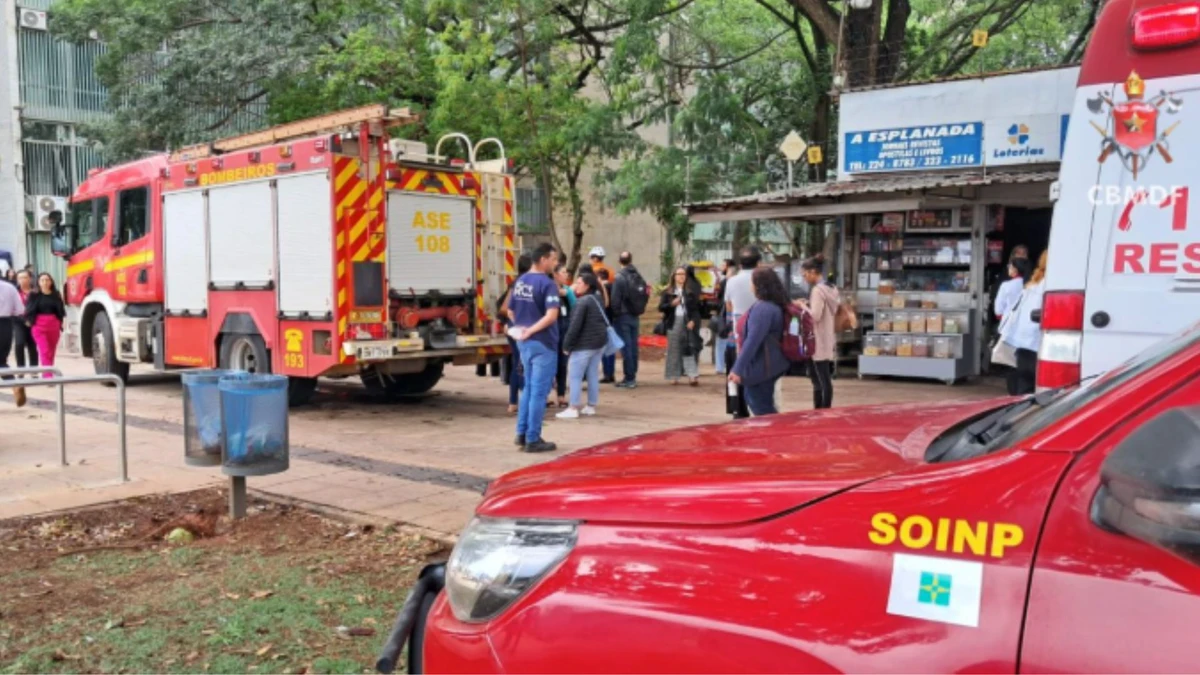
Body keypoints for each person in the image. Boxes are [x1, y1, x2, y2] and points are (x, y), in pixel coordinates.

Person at [509, 244, 561, 453]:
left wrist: (522, 329)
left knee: (529, 389)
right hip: (543, 342)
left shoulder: (520, 281)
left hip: (525, 343)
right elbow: (551, 316)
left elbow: (510, 310)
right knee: (539, 392)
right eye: (553, 259)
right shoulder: (547, 284)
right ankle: (533, 438)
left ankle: (521, 433)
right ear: (543, 260)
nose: (555, 264)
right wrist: (531, 330)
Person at [729, 268, 790, 416]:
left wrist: (737, 369)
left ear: (759, 285)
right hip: (768, 364)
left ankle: (776, 437)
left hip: (761, 366)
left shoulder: (763, 309)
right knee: (761, 404)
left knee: (761, 408)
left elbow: (752, 342)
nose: (750, 285)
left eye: (752, 282)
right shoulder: (773, 305)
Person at [558, 273, 608, 419]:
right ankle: (591, 405)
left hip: (583, 345)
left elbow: (574, 326)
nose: (576, 285)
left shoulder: (582, 302)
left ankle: (573, 407)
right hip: (598, 344)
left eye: (579, 283)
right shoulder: (598, 299)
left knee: (574, 376)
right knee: (592, 374)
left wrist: (567, 345)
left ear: (587, 285)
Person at [796, 255, 841, 410]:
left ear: (814, 272)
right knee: (825, 378)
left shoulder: (817, 290)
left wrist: (802, 306)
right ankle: (824, 410)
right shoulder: (831, 288)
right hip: (828, 336)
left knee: (820, 381)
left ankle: (821, 411)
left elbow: (815, 315)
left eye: (805, 274)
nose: (804, 278)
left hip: (817, 339)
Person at [1001, 251, 1047, 396]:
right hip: (1037, 345)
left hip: (1022, 345)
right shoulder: (1049, 286)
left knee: (1023, 391)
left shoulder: (1032, 286)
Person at [723, 246, 760, 418]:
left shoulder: (731, 281)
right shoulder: (763, 280)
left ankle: (739, 410)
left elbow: (728, 305)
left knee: (737, 372)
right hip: (760, 335)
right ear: (758, 263)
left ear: (740, 264)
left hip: (737, 335)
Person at [499, 254, 534, 414]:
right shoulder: (521, 284)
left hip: (516, 328)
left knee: (518, 363)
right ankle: (519, 401)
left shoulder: (519, 282)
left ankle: (514, 402)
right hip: (519, 329)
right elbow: (505, 308)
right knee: (521, 364)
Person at [659, 266, 702, 386]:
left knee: (689, 348)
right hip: (674, 321)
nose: (681, 276)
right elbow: (661, 307)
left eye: (683, 274)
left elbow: (695, 310)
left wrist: (693, 320)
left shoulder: (689, 293)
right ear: (674, 276)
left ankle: (692, 375)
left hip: (687, 322)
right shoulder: (668, 292)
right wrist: (672, 304)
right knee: (673, 349)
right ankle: (674, 375)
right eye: (679, 274)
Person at [610, 251, 647, 389]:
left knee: (626, 348)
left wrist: (615, 314)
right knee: (633, 347)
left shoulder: (619, 277)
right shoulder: (638, 275)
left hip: (623, 316)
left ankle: (629, 378)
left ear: (619, 261)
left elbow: (615, 300)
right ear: (631, 260)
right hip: (635, 315)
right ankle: (632, 375)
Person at [24, 272, 65, 379]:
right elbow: (28, 309)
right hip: (38, 325)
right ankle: (48, 375)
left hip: (53, 325)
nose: (45, 282)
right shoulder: (34, 294)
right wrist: (28, 320)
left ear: (51, 282)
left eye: (47, 280)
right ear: (38, 282)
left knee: (51, 351)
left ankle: (49, 371)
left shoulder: (56, 294)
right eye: (42, 280)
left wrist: (62, 322)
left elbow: (61, 310)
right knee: (44, 350)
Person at [551, 262, 576, 408]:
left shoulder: (567, 290)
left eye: (567, 272)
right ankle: (547, 394)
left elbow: (575, 306)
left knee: (563, 364)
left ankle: (561, 395)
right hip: (552, 330)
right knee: (550, 364)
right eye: (563, 272)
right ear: (555, 274)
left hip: (565, 330)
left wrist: (569, 294)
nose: (566, 275)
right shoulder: (548, 288)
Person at [0, 272, 23, 404]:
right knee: (1, 360)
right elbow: (19, 310)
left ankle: (14, 384)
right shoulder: (10, 287)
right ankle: (14, 384)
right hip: (6, 325)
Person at [714, 258, 736, 374]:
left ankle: (720, 366)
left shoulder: (726, 282)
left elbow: (721, 299)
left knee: (722, 339)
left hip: (726, 314)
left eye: (724, 264)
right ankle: (723, 365)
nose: (721, 266)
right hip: (727, 313)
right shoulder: (725, 282)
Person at [596, 268, 617, 383]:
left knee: (604, 349)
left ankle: (607, 374)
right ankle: (611, 373)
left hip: (603, 320)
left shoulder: (600, 289)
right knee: (611, 348)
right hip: (611, 319)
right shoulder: (613, 286)